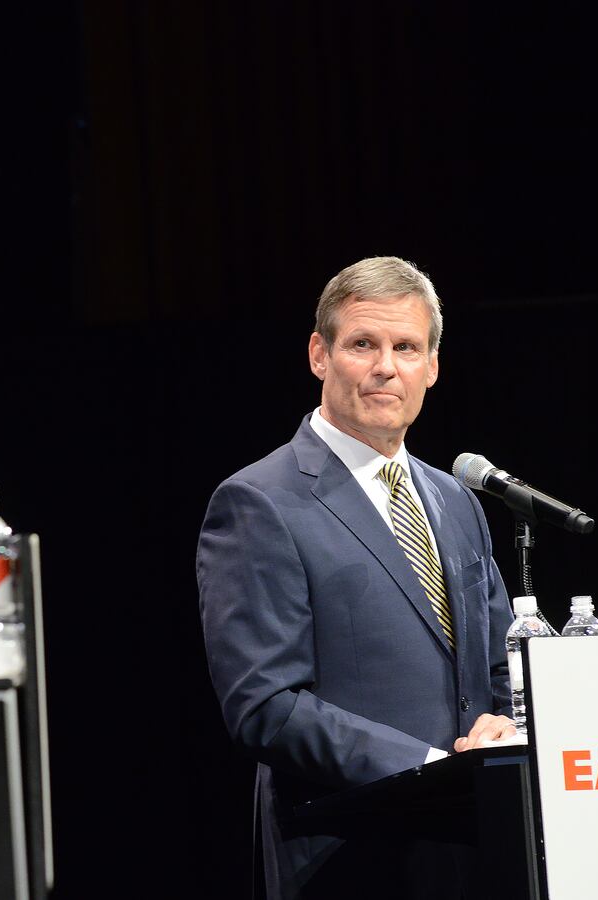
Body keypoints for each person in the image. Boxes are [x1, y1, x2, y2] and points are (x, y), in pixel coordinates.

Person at [196, 257, 517, 898]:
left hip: (476, 847)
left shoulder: (457, 500)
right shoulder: (259, 501)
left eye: (407, 347)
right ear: (320, 354)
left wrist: (506, 725)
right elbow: (265, 706)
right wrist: (425, 770)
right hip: (346, 856)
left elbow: (500, 660)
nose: (385, 367)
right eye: (362, 344)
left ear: (432, 366)